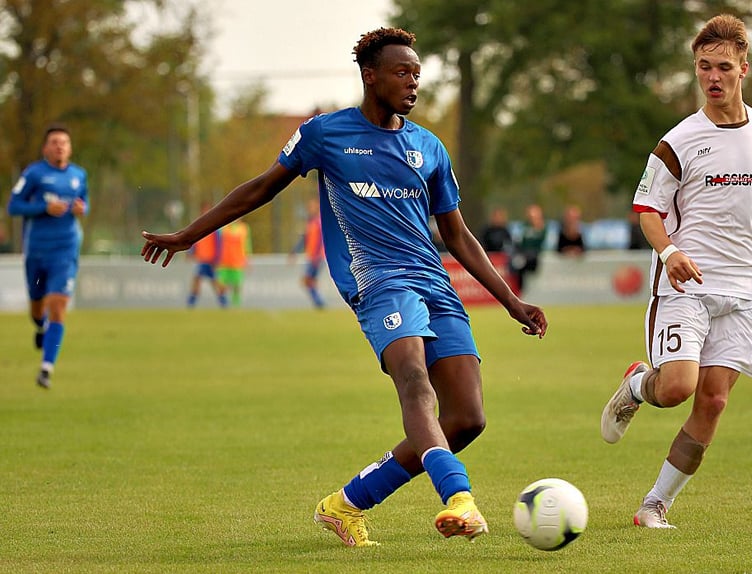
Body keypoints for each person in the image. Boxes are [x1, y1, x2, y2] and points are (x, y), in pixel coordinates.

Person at [141, 27, 547, 547]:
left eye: (417, 73)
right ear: (370, 76)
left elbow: (458, 234)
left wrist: (511, 300)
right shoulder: (325, 134)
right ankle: (459, 497)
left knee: (467, 419)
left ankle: (346, 505)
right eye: (401, 72)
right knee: (414, 383)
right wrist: (187, 236)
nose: (413, 82)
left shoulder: (429, 147)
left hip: (434, 283)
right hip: (377, 282)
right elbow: (260, 189)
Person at [599, 14, 752, 529]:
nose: (712, 77)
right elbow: (647, 210)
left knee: (713, 401)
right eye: (703, 67)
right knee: (677, 387)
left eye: (723, 67)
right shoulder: (678, 141)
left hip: (746, 291)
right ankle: (638, 386)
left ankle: (655, 505)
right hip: (687, 286)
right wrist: (669, 252)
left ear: (744, 69)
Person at [6, 124, 89, 389]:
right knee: (37, 308)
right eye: (54, 142)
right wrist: (44, 207)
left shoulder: (79, 175)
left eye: (64, 142)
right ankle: (40, 327)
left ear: (70, 148)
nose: (60, 146)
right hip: (37, 252)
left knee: (58, 305)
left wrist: (81, 208)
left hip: (65, 250)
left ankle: (46, 368)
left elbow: (84, 203)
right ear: (45, 148)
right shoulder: (34, 174)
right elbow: (13, 206)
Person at [186, 202, 229, 309]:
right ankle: (191, 302)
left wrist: (217, 259)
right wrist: (191, 252)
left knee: (214, 281)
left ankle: (223, 301)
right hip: (202, 259)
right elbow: (194, 241)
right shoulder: (199, 226)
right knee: (197, 279)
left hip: (211, 260)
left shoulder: (215, 227)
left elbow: (218, 244)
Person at [289, 198, 326, 309]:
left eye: (312, 207)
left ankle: (319, 302)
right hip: (311, 256)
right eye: (309, 207)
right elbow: (304, 240)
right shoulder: (310, 223)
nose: (310, 209)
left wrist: (316, 256)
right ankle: (319, 302)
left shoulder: (319, 222)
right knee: (308, 281)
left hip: (316, 257)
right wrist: (294, 252)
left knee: (307, 280)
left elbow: (321, 240)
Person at [511, 203, 547, 292]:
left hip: (537, 256)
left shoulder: (545, 228)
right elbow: (517, 242)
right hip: (524, 255)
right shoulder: (523, 227)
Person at [217, 218, 250, 307]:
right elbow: (218, 243)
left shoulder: (244, 228)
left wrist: (247, 259)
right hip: (224, 261)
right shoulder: (224, 228)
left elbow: (246, 244)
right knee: (222, 284)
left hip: (237, 261)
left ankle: (236, 304)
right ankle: (223, 303)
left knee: (237, 284)